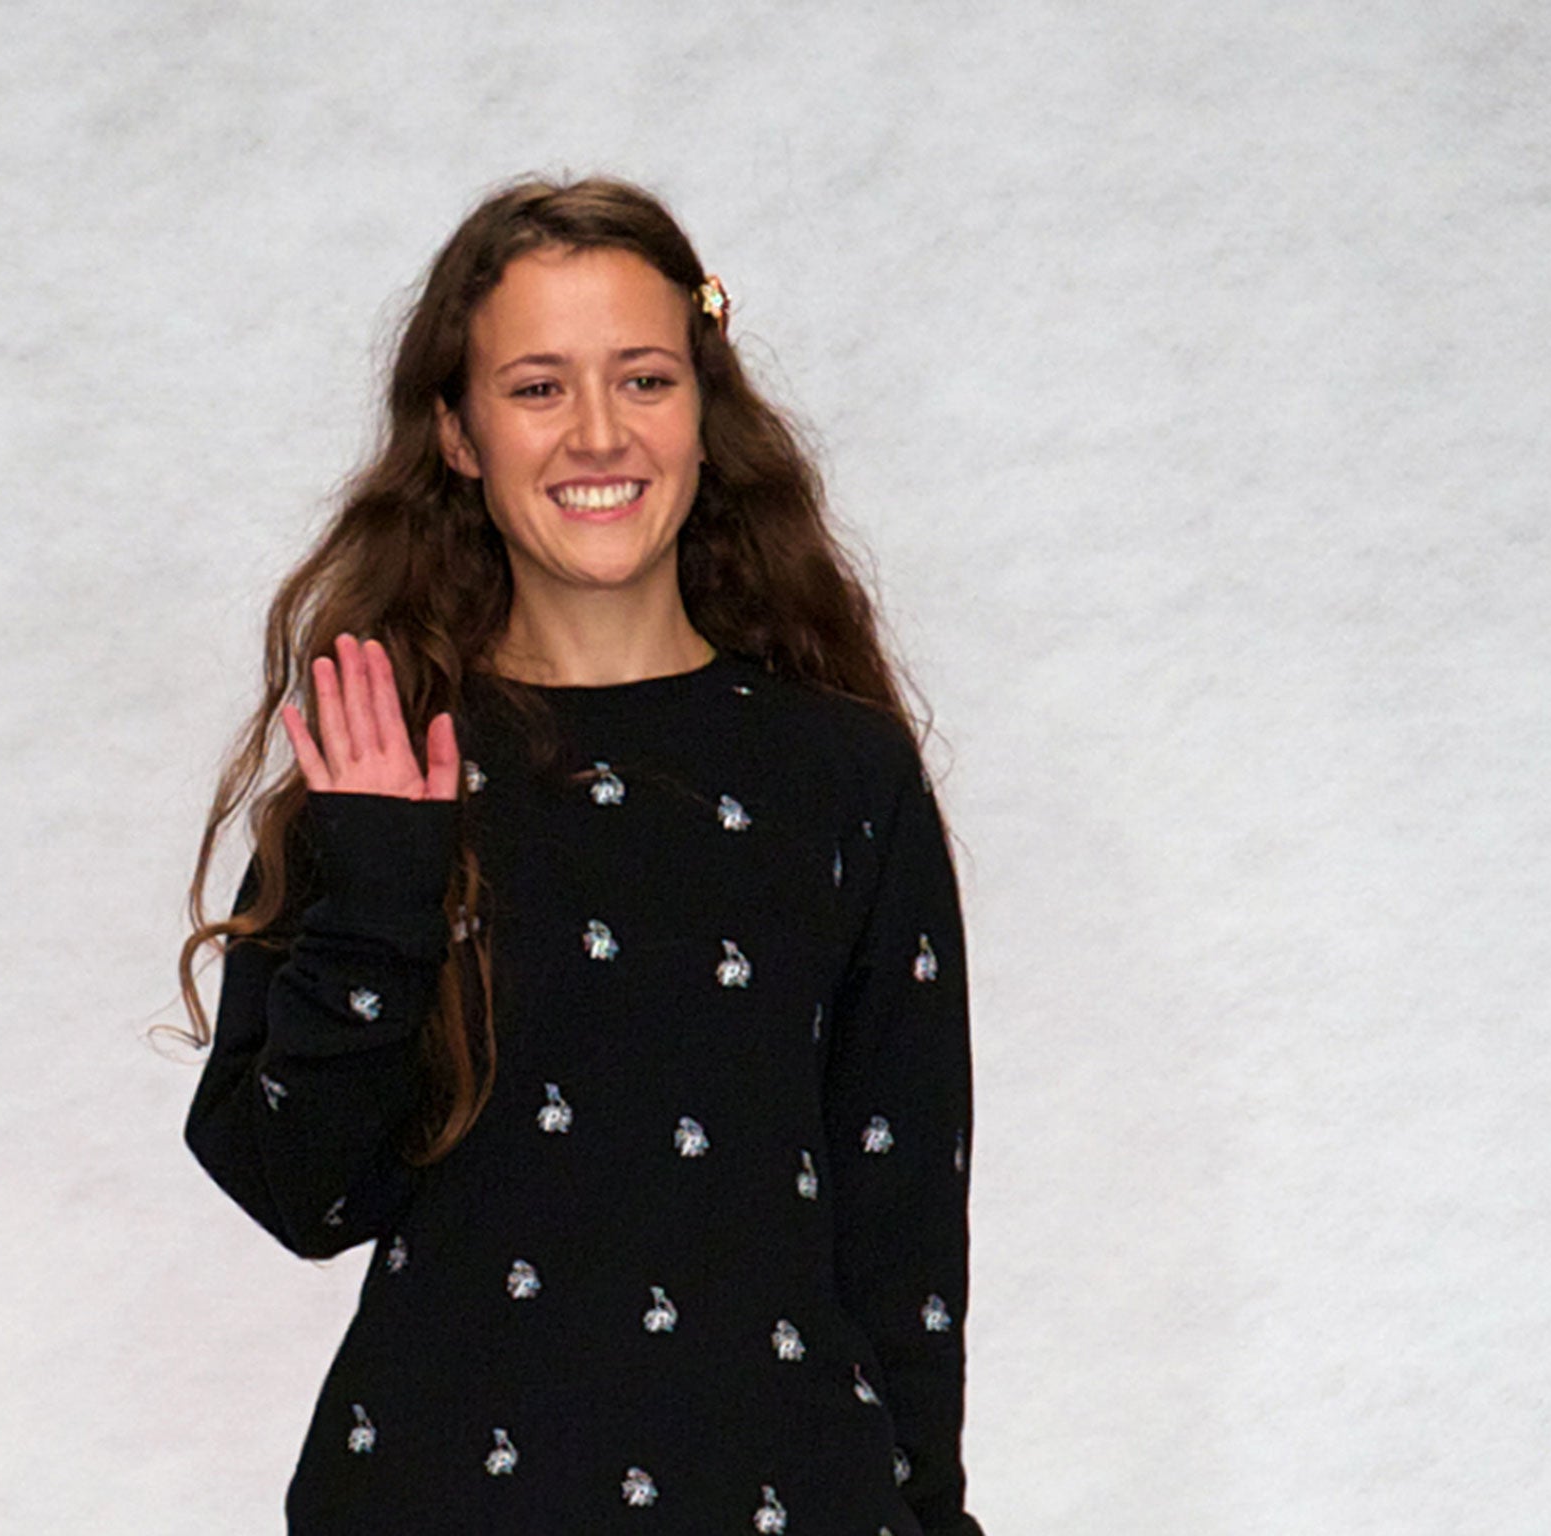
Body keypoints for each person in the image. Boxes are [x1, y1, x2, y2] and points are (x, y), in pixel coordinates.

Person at [176, 173, 986, 1535]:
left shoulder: (841, 775)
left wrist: (935, 1515)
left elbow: (901, 1218)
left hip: (786, 1499)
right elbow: (300, 1190)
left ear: (702, 411)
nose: (598, 434)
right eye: (539, 387)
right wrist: (381, 886)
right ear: (456, 431)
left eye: (646, 379)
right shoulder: (386, 758)